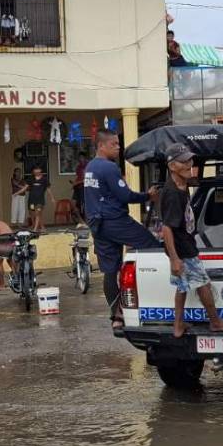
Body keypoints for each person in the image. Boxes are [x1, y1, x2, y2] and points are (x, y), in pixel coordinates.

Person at [158, 144, 223, 339]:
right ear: (172, 166)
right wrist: (174, 259)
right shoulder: (172, 193)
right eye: (184, 161)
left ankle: (178, 325)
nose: (189, 164)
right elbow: (167, 228)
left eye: (190, 160)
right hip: (183, 249)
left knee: (182, 286)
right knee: (204, 284)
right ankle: (216, 322)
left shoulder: (182, 185)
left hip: (183, 245)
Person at [84, 128, 161, 327]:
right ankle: (156, 301)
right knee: (153, 247)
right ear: (101, 146)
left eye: (119, 144)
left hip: (97, 224)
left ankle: (117, 317)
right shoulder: (108, 168)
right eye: (114, 144)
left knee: (110, 271)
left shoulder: (90, 167)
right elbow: (125, 196)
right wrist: (148, 195)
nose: (118, 147)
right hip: (114, 221)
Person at [26, 164, 50, 233]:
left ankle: (35, 229)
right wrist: (17, 192)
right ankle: (42, 227)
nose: (36, 170)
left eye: (38, 169)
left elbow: (48, 189)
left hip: (40, 200)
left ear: (40, 170)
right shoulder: (31, 178)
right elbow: (26, 187)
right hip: (32, 200)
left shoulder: (44, 179)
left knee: (38, 213)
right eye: (35, 169)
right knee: (32, 213)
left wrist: (52, 198)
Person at [9, 163, 28, 227]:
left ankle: (20, 223)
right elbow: (16, 184)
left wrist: (24, 187)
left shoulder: (23, 179)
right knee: (14, 209)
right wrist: (23, 187)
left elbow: (26, 187)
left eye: (20, 172)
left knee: (22, 209)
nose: (19, 173)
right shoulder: (13, 179)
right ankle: (14, 223)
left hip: (22, 195)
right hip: (15, 195)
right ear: (15, 173)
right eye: (18, 172)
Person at [72, 156, 89, 221]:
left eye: (82, 158)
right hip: (77, 188)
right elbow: (78, 178)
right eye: (79, 159)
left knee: (84, 205)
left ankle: (86, 220)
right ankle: (80, 220)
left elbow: (86, 180)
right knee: (73, 203)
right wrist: (75, 183)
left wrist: (78, 182)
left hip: (84, 188)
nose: (80, 159)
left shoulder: (88, 166)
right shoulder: (78, 167)